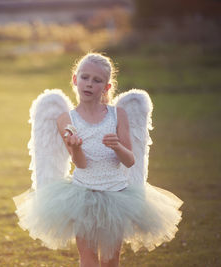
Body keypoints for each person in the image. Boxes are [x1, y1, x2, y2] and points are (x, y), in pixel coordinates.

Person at [13, 52, 183, 267]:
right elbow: (81, 164)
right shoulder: (67, 119)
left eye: (97, 80)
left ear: (107, 87)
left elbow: (130, 160)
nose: (89, 84)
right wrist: (76, 148)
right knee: (88, 258)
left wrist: (117, 146)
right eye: (85, 77)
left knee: (111, 259)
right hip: (83, 196)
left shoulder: (117, 115)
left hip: (117, 196)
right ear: (75, 80)